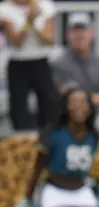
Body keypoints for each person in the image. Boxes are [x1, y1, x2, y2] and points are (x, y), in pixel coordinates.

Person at [0, 0, 57, 130]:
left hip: (41, 61)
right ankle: (23, 141)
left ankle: (47, 137)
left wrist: (33, 24)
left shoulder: (45, 6)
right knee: (19, 108)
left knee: (49, 103)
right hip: (18, 62)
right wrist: (29, 22)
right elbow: (16, 42)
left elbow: (49, 40)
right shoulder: (4, 9)